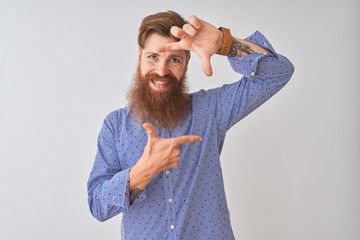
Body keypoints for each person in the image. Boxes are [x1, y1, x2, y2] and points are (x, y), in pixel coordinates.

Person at [87, 10, 294, 239]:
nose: (162, 70)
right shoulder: (115, 125)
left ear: (187, 61)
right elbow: (98, 206)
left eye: (174, 59)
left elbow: (279, 73)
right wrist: (143, 171)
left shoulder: (211, 109)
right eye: (153, 57)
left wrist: (225, 43)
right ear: (139, 56)